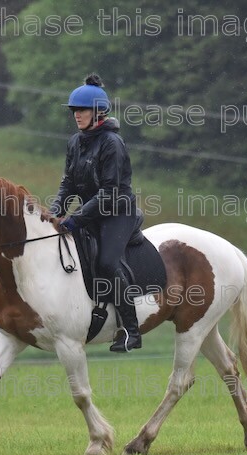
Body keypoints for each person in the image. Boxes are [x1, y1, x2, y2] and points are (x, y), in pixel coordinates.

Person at [50, 73, 142, 352]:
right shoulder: (75, 142)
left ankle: (131, 331)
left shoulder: (112, 144)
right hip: (92, 213)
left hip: (117, 212)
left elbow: (109, 193)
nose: (77, 115)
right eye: (75, 110)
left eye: (82, 110)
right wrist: (56, 210)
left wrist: (76, 219)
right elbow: (69, 182)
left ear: (99, 112)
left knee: (105, 262)